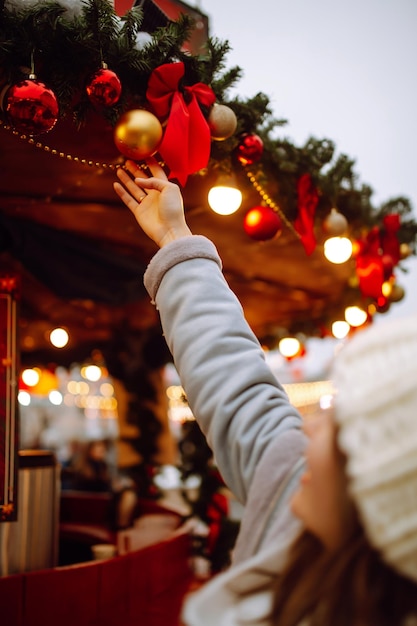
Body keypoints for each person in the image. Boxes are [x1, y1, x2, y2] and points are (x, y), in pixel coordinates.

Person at [114, 158, 417, 625]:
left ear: (380, 493)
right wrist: (176, 240)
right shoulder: (299, 498)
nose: (310, 427)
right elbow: (232, 379)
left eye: (339, 431)